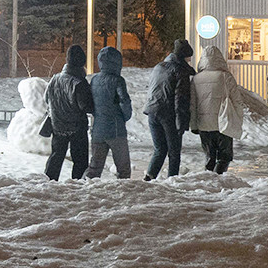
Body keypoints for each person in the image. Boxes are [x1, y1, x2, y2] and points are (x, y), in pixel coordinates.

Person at [143, 38, 196, 180]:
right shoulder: (180, 71)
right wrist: (182, 121)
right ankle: (171, 180)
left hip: (152, 111)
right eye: (188, 57)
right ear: (184, 56)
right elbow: (181, 99)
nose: (189, 60)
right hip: (168, 114)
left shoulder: (159, 66)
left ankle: (149, 177)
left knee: (159, 149)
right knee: (174, 152)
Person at [190, 45, 245, 174]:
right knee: (224, 157)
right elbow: (237, 101)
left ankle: (209, 181)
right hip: (223, 123)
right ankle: (218, 181)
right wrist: (238, 119)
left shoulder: (196, 79)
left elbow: (192, 105)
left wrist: (194, 124)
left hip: (203, 125)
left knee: (210, 157)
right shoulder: (226, 77)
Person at [44, 45, 95, 180]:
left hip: (57, 125)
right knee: (79, 159)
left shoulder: (55, 78)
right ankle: (76, 186)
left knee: (56, 156)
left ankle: (49, 181)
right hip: (76, 127)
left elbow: (46, 98)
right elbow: (86, 106)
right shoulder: (79, 83)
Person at [87, 45, 133, 179]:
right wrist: (124, 117)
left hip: (98, 129)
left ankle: (87, 192)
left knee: (95, 168)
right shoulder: (118, 80)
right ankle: (124, 195)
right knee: (123, 169)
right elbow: (125, 102)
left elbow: (91, 104)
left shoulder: (94, 80)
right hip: (116, 129)